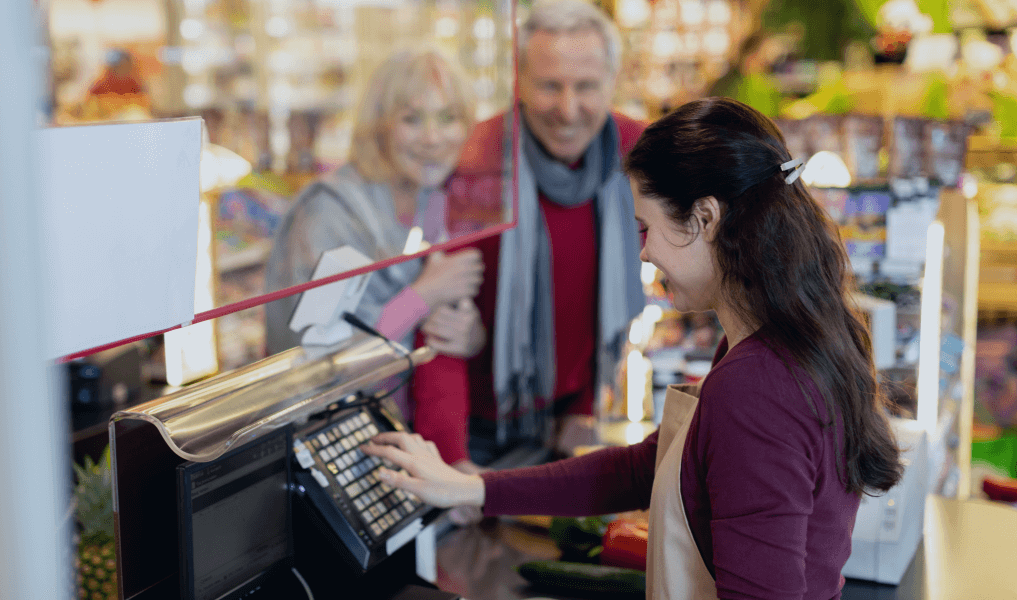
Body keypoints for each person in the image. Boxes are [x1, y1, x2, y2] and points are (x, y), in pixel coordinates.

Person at [363, 97, 905, 599]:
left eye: (646, 228)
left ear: (706, 219)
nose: (643, 254)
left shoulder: (756, 387)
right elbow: (646, 468)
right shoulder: (772, 345)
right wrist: (472, 488)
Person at [408, 0, 647, 475]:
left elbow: (602, 298)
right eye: (549, 86)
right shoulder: (475, 164)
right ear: (517, 82)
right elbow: (443, 328)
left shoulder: (635, 152)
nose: (567, 108)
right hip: (476, 431)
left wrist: (581, 407)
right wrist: (452, 460)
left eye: (586, 87)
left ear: (612, 84)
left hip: (566, 424)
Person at [264, 49, 486, 405]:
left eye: (448, 117)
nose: (433, 138)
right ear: (378, 125)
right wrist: (422, 297)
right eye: (412, 119)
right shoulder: (330, 211)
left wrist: (470, 336)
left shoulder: (434, 200)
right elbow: (317, 360)